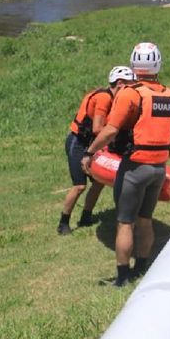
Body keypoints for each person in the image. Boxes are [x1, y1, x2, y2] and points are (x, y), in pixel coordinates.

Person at [82, 43, 170, 286]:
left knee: (125, 222)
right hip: (159, 167)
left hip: (134, 167)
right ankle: (142, 267)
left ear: (134, 64)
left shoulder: (130, 93)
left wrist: (90, 152)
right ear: (157, 64)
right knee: (145, 220)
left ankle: (123, 276)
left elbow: (110, 130)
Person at [57, 66, 135, 235]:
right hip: (78, 143)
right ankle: (63, 222)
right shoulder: (104, 98)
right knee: (79, 186)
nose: (132, 90)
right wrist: (114, 136)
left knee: (99, 182)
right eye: (130, 85)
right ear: (120, 83)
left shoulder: (113, 98)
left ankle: (86, 217)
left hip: (92, 144)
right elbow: (97, 128)